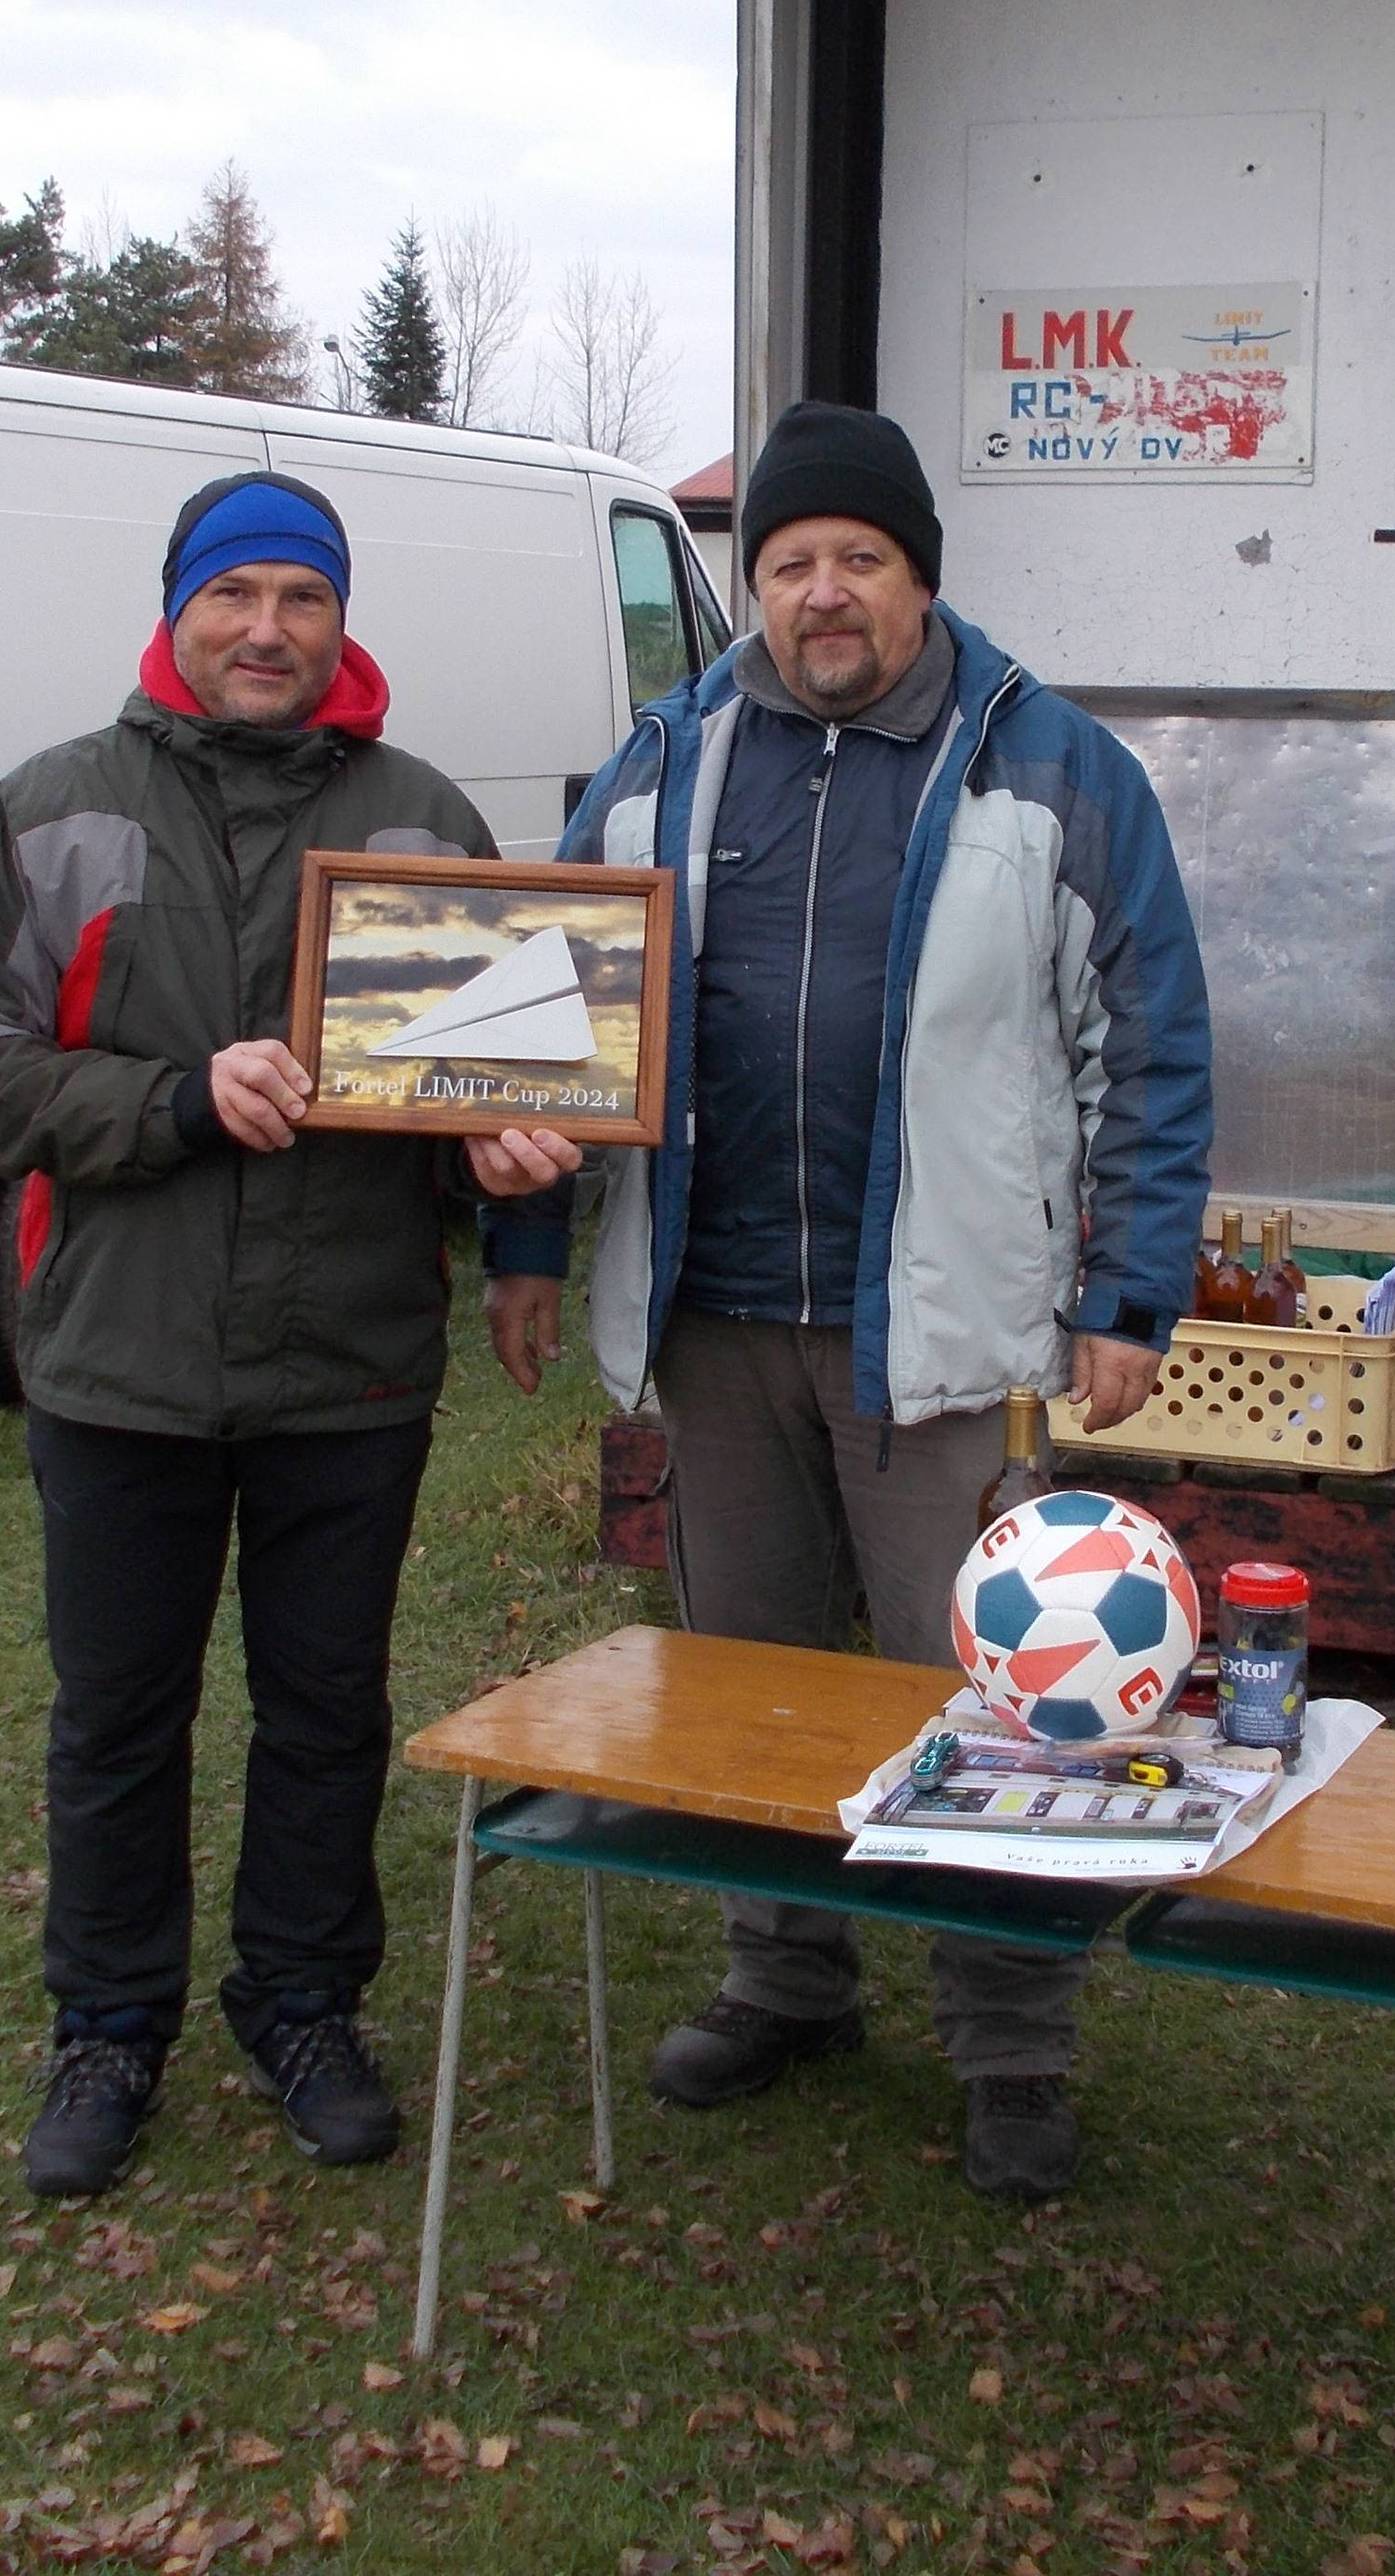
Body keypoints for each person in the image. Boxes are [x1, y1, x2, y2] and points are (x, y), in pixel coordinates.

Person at [481, 400, 1213, 2201]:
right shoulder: (663, 764)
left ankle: (1011, 2040)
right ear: (755, 584)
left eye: (860, 560)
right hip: (717, 1317)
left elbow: (1148, 1037)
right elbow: (543, 1022)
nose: (825, 592)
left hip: (941, 1340)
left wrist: (1130, 1287)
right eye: (793, 561)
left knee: (995, 1695)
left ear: (920, 578)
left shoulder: (1049, 767)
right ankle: (786, 1979)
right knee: (750, 1683)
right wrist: (524, 1236)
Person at [0, 471, 578, 2198]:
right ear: (177, 609)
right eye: (235, 595)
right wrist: (172, 1100)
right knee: (116, 1718)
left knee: (326, 1710)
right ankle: (106, 2026)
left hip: (347, 1359)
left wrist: (515, 1197)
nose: (267, 630)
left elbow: (513, 1070)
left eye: (303, 597)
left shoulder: (424, 823)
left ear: (343, 621)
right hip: (116, 1357)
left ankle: (301, 2005)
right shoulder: (55, 808)